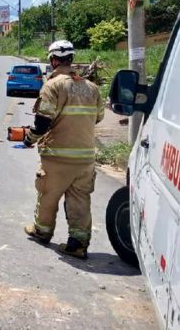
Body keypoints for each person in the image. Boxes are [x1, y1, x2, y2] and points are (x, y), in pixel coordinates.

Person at [23, 40, 104, 259]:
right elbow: (98, 117)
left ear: (54, 60)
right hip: (86, 157)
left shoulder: (54, 85)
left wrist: (29, 139)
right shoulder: (91, 88)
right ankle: (77, 243)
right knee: (80, 201)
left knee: (48, 195)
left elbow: (42, 121)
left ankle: (42, 231)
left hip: (58, 156)